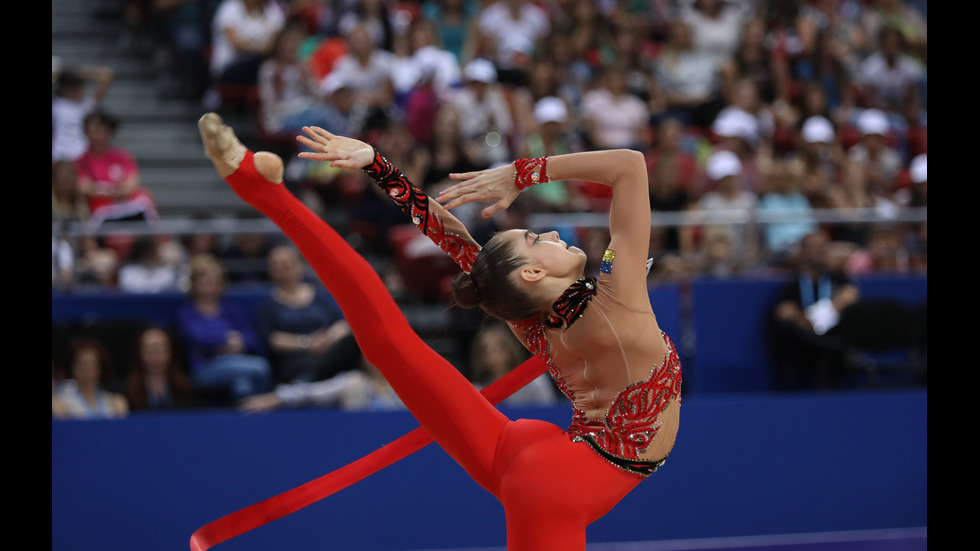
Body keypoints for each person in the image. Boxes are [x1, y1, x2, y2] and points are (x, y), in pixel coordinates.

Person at [197, 111, 681, 550]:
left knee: (390, 343)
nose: (552, 234)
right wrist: (521, 173)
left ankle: (264, 192)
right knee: (390, 343)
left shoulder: (528, 320)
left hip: (540, 455)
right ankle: (264, 192)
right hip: (560, 479)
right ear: (532, 274)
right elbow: (631, 166)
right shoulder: (618, 293)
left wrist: (377, 165)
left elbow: (448, 234)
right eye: (536, 240)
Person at [253, 244, 359, 384]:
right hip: (296, 357)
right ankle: (305, 383)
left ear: (298, 266)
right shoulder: (268, 305)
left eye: (285, 266)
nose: (282, 272)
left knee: (354, 342)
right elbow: (273, 339)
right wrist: (307, 342)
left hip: (329, 351)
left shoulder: (320, 296)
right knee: (306, 365)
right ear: (270, 271)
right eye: (276, 267)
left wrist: (327, 339)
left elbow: (342, 324)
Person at [175, 254, 272, 403]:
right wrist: (226, 340)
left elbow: (252, 338)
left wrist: (241, 343)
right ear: (194, 283)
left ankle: (246, 412)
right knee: (261, 367)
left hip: (238, 363)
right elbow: (195, 337)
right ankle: (256, 409)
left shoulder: (231, 310)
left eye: (216, 280)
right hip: (204, 368)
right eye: (205, 280)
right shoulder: (188, 313)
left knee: (242, 383)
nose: (211, 284)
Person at [468, 322, 557, 407]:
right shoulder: (477, 390)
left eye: (497, 350)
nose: (492, 356)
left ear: (510, 350)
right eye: (485, 351)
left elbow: (549, 413)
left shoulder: (534, 383)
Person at [53, 336, 129, 419]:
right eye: (81, 366)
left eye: (91, 365)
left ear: (101, 367)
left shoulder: (116, 402)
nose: (86, 371)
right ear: (71, 368)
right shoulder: (61, 403)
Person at [51, 65, 114, 162]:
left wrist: (78, 74)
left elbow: (105, 76)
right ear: (65, 89)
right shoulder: (57, 105)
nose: (78, 91)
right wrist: (66, 75)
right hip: (58, 153)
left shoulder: (86, 105)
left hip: (81, 153)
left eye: (79, 87)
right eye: (73, 88)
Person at [124, 325, 195, 410]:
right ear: (138, 354)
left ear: (171, 352)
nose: (155, 355)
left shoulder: (186, 391)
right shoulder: (126, 395)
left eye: (160, 348)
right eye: (149, 349)